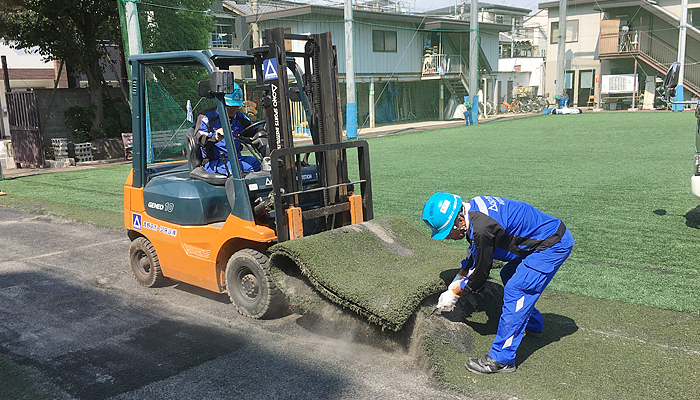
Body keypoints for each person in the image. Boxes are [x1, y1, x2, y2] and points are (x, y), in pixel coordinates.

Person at [422, 193, 574, 374]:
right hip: (539, 240)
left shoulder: (482, 228)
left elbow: (479, 275)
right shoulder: (474, 211)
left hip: (551, 245)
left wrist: (455, 293)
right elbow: (475, 254)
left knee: (517, 288)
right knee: (509, 273)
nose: (447, 238)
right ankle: (533, 324)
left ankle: (502, 359)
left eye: (447, 233)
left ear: (460, 221)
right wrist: (457, 280)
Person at [197, 82, 260, 174]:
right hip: (215, 161)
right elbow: (199, 138)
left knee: (259, 163)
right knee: (235, 169)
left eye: (236, 107)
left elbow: (252, 130)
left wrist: (263, 130)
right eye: (231, 107)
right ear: (222, 104)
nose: (234, 110)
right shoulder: (207, 117)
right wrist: (215, 137)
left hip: (237, 158)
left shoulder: (239, 117)